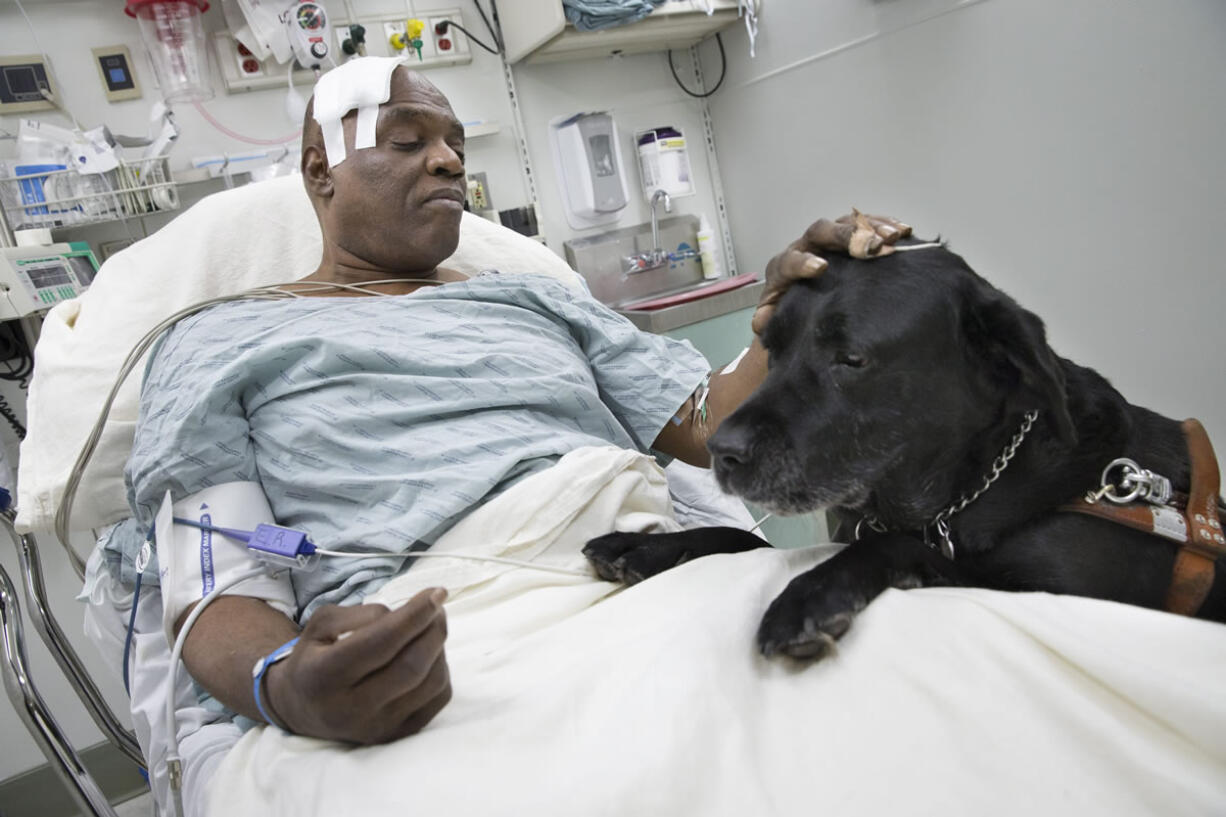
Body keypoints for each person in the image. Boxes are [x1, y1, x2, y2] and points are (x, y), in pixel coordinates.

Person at [124, 58, 909, 747]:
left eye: (455, 147)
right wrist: (289, 684)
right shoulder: (218, 340)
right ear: (320, 168)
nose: (444, 161)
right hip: (441, 630)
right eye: (406, 141)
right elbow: (216, 579)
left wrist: (791, 313)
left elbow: (709, 423)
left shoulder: (536, 302)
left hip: (650, 568)